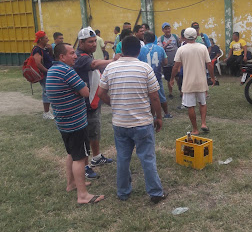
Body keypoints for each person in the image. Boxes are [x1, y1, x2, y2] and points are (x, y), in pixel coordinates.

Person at [98, 36, 167, 204]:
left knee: (122, 158)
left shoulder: (110, 68)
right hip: (142, 122)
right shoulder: (145, 68)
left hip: (120, 123)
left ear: (121, 50)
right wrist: (158, 117)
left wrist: (113, 104)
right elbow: (155, 98)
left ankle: (123, 192)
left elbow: (100, 94)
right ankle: (155, 193)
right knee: (147, 158)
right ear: (139, 51)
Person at [46, 43, 104, 205]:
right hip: (75, 123)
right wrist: (83, 87)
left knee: (72, 153)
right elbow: (85, 92)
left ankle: (71, 183)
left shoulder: (52, 70)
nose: (75, 56)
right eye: (71, 53)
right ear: (62, 57)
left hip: (64, 122)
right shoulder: (66, 71)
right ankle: (83, 195)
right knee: (80, 158)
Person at [74, 27, 116, 179]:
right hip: (85, 104)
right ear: (81, 42)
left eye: (94, 41)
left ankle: (96, 157)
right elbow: (94, 65)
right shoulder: (80, 57)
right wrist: (114, 61)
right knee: (85, 135)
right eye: (90, 42)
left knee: (94, 131)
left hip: (93, 102)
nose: (93, 44)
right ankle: (84, 166)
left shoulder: (88, 54)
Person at [170, 27, 215, 134]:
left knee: (190, 106)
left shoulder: (181, 49)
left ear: (184, 37)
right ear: (196, 36)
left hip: (188, 82)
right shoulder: (203, 48)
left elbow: (176, 67)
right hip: (201, 81)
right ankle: (203, 123)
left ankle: (195, 129)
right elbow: (209, 64)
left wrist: (172, 78)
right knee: (202, 103)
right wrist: (212, 77)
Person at [138, 31, 172, 118]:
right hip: (157, 75)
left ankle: (152, 115)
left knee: (148, 97)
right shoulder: (160, 49)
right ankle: (166, 113)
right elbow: (165, 62)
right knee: (161, 95)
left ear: (144, 39)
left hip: (144, 76)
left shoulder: (141, 50)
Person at [32, 30, 54, 119]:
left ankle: (48, 111)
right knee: (46, 92)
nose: (48, 40)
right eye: (46, 38)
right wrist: (47, 71)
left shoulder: (44, 49)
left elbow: (50, 58)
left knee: (48, 91)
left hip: (47, 73)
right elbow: (38, 63)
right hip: (44, 75)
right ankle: (46, 112)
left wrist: (50, 50)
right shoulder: (37, 50)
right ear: (41, 40)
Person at [157, 22, 180, 98]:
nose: (167, 30)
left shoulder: (175, 37)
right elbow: (160, 49)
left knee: (177, 77)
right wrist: (166, 44)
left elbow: (179, 47)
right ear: (163, 30)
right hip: (167, 62)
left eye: (168, 28)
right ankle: (170, 93)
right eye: (166, 29)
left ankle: (181, 92)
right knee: (168, 78)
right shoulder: (160, 39)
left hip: (175, 62)